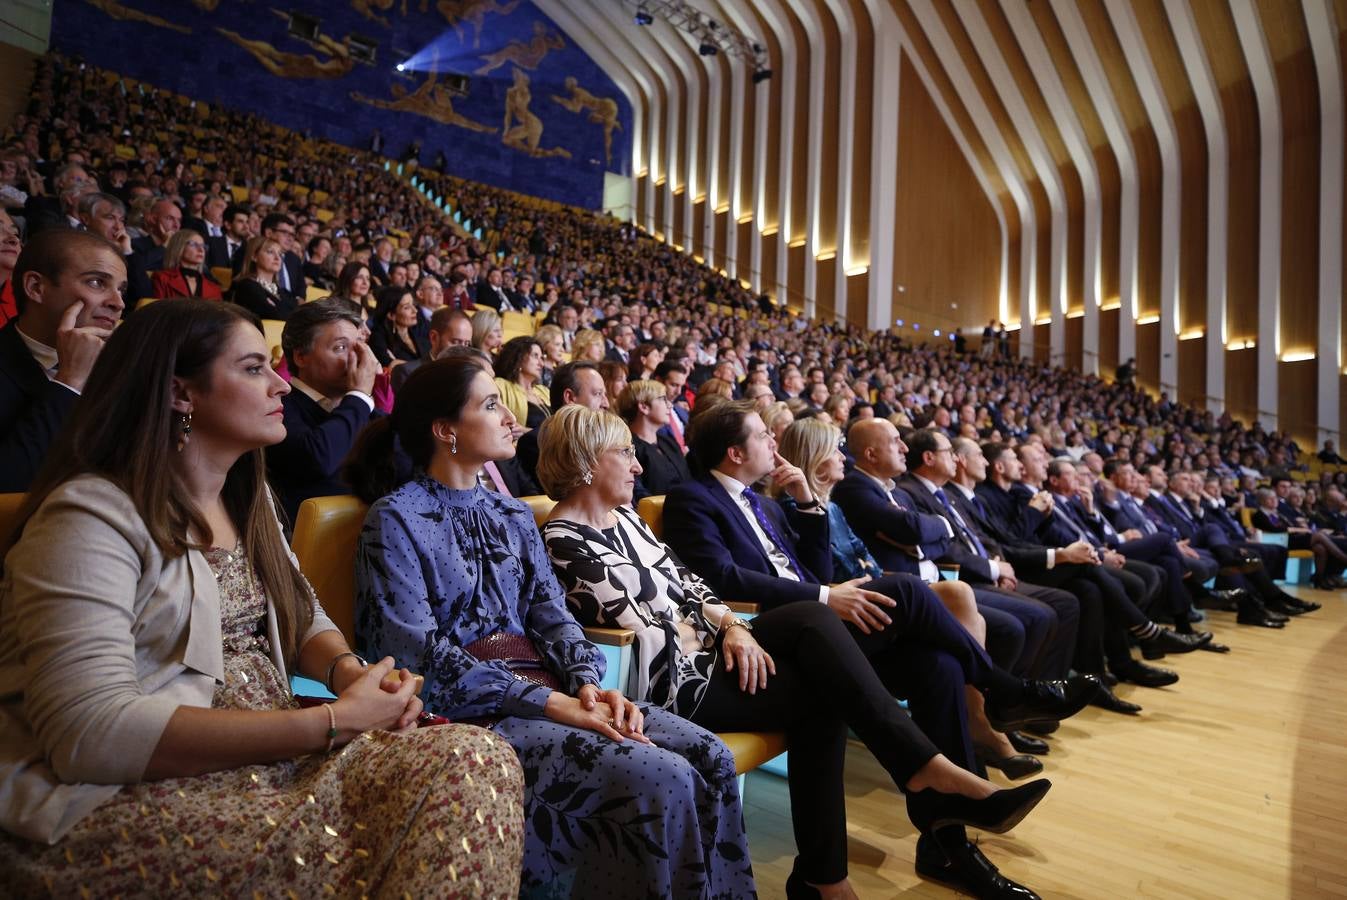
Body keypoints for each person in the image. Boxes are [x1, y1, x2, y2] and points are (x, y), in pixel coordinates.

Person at [0, 300, 524, 897]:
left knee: (476, 755)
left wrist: (351, 674)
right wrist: (332, 722)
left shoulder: (249, 502)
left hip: (274, 753)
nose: (280, 382)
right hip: (130, 789)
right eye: (253, 369)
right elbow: (89, 733)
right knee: (342, 837)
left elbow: (304, 616)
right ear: (180, 393)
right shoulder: (88, 517)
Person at [539, 405, 1055, 898]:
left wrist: (735, 629)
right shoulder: (564, 538)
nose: (637, 464)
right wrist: (726, 627)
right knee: (823, 642)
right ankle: (921, 780)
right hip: (674, 683)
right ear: (586, 461)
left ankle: (840, 870)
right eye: (625, 453)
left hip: (718, 650)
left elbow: (692, 589)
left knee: (921, 660)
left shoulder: (625, 520)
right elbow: (656, 628)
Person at [345, 358, 756, 897]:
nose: (511, 420)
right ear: (445, 431)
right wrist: (549, 703)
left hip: (553, 691)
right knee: (663, 776)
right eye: (491, 406)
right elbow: (415, 655)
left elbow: (553, 616)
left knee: (711, 756)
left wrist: (588, 682)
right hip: (472, 716)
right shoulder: (395, 518)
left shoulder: (512, 514)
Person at [0, 229, 123, 492]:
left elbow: (183, 439)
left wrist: (188, 416)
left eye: (121, 289)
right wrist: (69, 382)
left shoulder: (122, 363)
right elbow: (8, 483)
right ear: (36, 288)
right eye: (97, 283)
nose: (118, 302)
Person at [267, 299, 380, 522]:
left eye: (358, 346)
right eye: (340, 347)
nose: (355, 358)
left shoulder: (363, 411)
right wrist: (359, 395)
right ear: (301, 356)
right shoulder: (277, 407)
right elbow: (318, 459)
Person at [618, 378, 690, 496]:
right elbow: (639, 494)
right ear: (644, 407)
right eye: (663, 399)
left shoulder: (669, 442)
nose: (670, 405)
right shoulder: (627, 447)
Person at [228, 237, 297, 320]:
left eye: (280, 254)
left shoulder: (283, 291)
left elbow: (297, 316)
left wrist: (277, 307)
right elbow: (275, 315)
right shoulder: (246, 286)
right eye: (270, 252)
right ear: (254, 256)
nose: (277, 258)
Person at [493, 335, 551, 430]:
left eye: (542, 358)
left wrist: (526, 431)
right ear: (519, 357)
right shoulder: (501, 385)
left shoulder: (544, 391)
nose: (541, 364)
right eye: (535, 356)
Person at [151, 228, 223, 300]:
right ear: (178, 247)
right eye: (194, 244)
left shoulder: (214, 287)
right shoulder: (162, 278)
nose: (201, 250)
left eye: (203, 246)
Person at [366, 285, 428, 366]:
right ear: (391, 315)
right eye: (407, 307)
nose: (415, 310)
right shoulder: (378, 337)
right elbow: (389, 365)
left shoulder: (418, 330)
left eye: (413, 305)